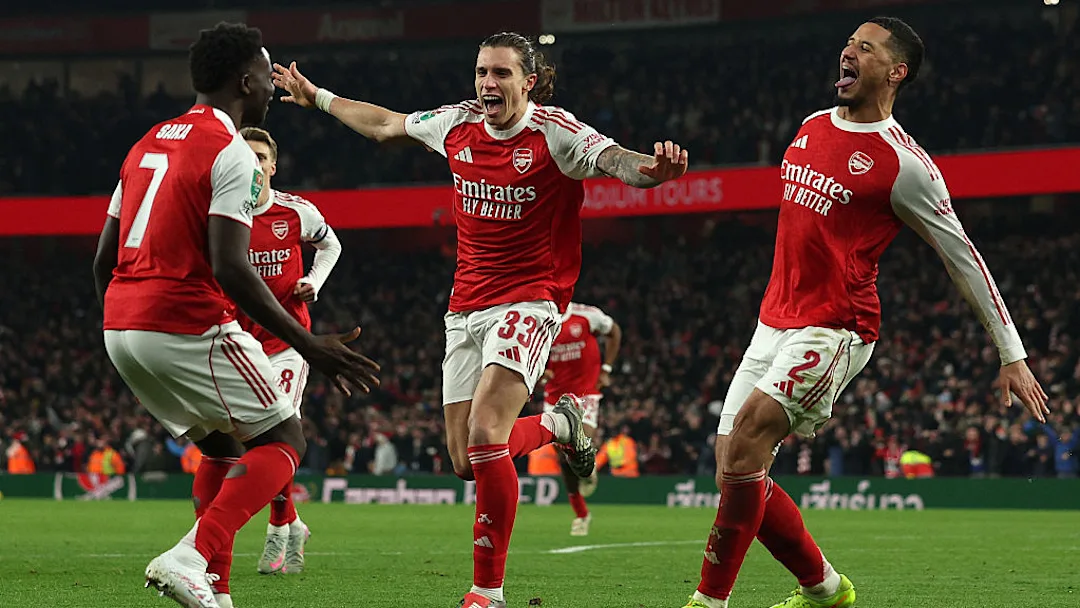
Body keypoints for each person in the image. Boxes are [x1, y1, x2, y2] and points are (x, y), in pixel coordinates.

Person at [272, 31, 688, 607]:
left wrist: (652, 169)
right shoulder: (457, 124)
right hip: (465, 305)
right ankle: (560, 424)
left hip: (531, 298)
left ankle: (486, 593)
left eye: (500, 73)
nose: (487, 83)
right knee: (465, 460)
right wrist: (317, 96)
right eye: (481, 72)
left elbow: (616, 160)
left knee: (488, 435)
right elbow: (385, 124)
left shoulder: (555, 133)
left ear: (529, 82)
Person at [682, 16, 1049, 608]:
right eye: (849, 43)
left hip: (836, 326)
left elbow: (963, 257)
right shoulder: (810, 126)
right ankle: (824, 587)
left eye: (865, 47)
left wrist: (1012, 354)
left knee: (747, 443)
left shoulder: (905, 164)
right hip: (773, 320)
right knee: (733, 470)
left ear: (895, 71)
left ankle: (709, 601)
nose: (848, 52)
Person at [92, 22, 379, 608]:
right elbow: (230, 266)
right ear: (245, 80)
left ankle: (217, 593)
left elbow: (103, 259)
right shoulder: (231, 153)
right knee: (285, 438)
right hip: (183, 318)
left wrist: (126, 327)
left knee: (224, 448)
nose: (273, 88)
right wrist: (309, 343)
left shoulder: (144, 144)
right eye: (267, 75)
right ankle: (190, 556)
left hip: (120, 324)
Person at [236, 126, 343, 576]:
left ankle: (278, 529)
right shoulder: (222, 215)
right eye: (245, 156)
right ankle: (294, 522)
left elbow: (331, 244)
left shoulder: (295, 212)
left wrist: (313, 282)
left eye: (260, 157)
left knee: (279, 432)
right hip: (240, 345)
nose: (254, 163)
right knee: (255, 441)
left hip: (289, 343)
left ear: (272, 166)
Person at [541, 302, 622, 536]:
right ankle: (581, 514)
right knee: (563, 457)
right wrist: (541, 372)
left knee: (579, 442)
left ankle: (586, 463)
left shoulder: (586, 316)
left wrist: (606, 369)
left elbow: (614, 331)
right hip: (555, 396)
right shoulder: (540, 320)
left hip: (586, 393)